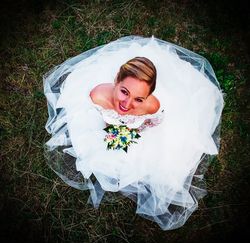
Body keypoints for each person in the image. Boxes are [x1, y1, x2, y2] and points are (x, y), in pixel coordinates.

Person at [44, 35, 224, 230]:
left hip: (137, 126)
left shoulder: (152, 106)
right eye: (124, 91)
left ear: (147, 97)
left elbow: (153, 122)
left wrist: (136, 128)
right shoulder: (98, 96)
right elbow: (102, 114)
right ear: (116, 81)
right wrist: (112, 126)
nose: (127, 104)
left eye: (139, 99)